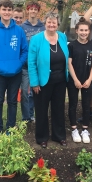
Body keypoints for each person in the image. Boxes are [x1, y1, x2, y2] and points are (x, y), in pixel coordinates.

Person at [0, 0, 28, 133]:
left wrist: (19, 64)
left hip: (15, 73)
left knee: (13, 102)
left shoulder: (19, 31)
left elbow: (24, 50)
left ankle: (10, 128)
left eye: (9, 10)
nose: (7, 12)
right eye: (4, 9)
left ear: (12, 11)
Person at [28, 12, 69, 148]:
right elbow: (32, 62)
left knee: (58, 109)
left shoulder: (62, 37)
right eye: (49, 22)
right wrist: (34, 82)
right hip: (42, 82)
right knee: (41, 110)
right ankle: (42, 137)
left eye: (54, 22)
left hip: (60, 81)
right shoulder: (36, 39)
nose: (51, 25)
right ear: (45, 24)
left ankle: (59, 136)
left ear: (57, 24)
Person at [67, 17, 92, 144]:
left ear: (89, 31)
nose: (83, 32)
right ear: (77, 31)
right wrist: (75, 79)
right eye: (81, 30)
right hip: (74, 79)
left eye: (86, 30)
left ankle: (85, 129)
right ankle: (74, 129)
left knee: (86, 105)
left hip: (87, 80)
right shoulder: (72, 45)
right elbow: (69, 63)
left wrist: (90, 79)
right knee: (73, 104)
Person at [20, 1, 45, 122]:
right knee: (25, 92)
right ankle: (26, 117)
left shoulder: (43, 27)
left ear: (38, 11)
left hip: (39, 65)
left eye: (35, 9)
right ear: (28, 10)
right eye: (31, 9)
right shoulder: (22, 27)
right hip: (25, 65)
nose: (33, 11)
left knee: (37, 91)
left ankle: (35, 114)